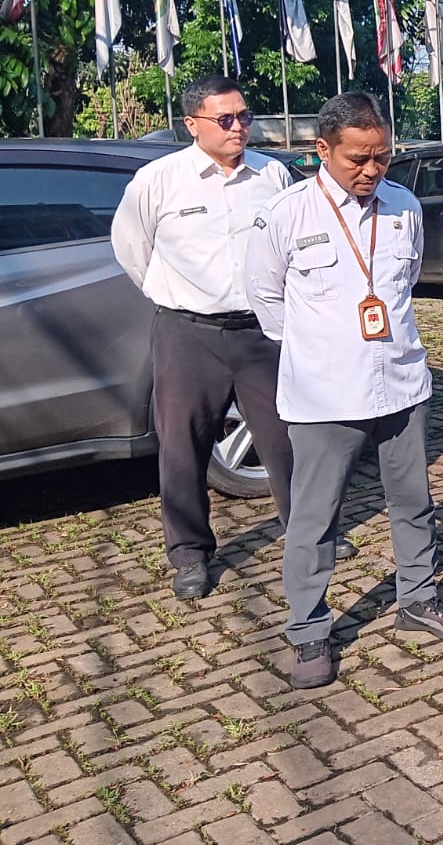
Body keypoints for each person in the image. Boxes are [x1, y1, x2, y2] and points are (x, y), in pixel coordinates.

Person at [248, 92, 443, 689]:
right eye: (358, 158)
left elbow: (404, 282)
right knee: (315, 518)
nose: (372, 169)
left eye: (382, 156)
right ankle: (309, 630)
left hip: (401, 384)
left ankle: (417, 599)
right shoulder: (287, 214)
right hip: (325, 396)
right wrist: (320, 347)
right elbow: (265, 297)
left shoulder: (403, 205)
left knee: (413, 502)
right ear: (322, 150)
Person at [110, 76, 351, 600]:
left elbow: (291, 242)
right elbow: (132, 249)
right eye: (225, 119)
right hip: (188, 333)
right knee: (183, 447)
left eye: (244, 116)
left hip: (261, 332)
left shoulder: (272, 175)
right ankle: (190, 553)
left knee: (288, 438)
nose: (239, 127)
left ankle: (308, 530)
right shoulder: (158, 181)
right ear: (192, 124)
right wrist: (178, 293)